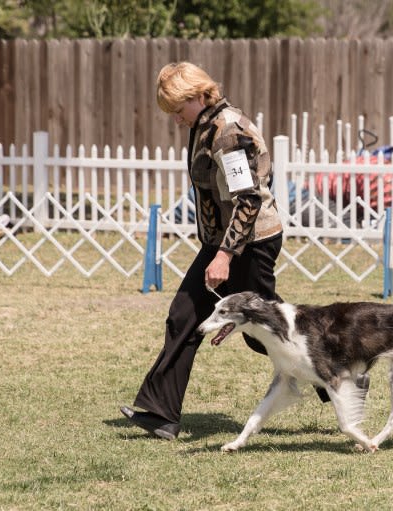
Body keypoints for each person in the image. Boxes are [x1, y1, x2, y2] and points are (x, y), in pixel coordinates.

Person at [120, 62, 287, 440]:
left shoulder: (228, 131)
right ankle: (161, 413)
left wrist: (226, 255)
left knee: (264, 330)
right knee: (184, 315)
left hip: (251, 242)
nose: (176, 119)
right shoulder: (203, 125)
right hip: (223, 242)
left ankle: (338, 374)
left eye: (178, 109)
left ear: (198, 95)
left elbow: (248, 199)